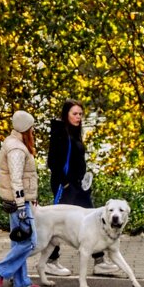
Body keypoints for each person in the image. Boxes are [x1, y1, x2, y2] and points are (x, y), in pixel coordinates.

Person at [43, 99, 120, 277]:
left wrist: (84, 179)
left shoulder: (75, 133)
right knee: (58, 223)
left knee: (94, 219)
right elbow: (53, 162)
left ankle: (99, 261)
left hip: (80, 187)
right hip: (66, 187)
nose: (78, 117)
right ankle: (50, 261)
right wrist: (66, 183)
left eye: (80, 114)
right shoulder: (61, 133)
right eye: (74, 114)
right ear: (66, 115)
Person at [0, 109, 40, 287]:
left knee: (20, 242)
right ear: (25, 129)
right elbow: (16, 180)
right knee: (29, 242)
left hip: (17, 200)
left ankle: (21, 282)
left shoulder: (13, 142)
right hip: (18, 202)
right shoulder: (17, 149)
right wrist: (22, 206)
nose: (33, 131)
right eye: (32, 128)